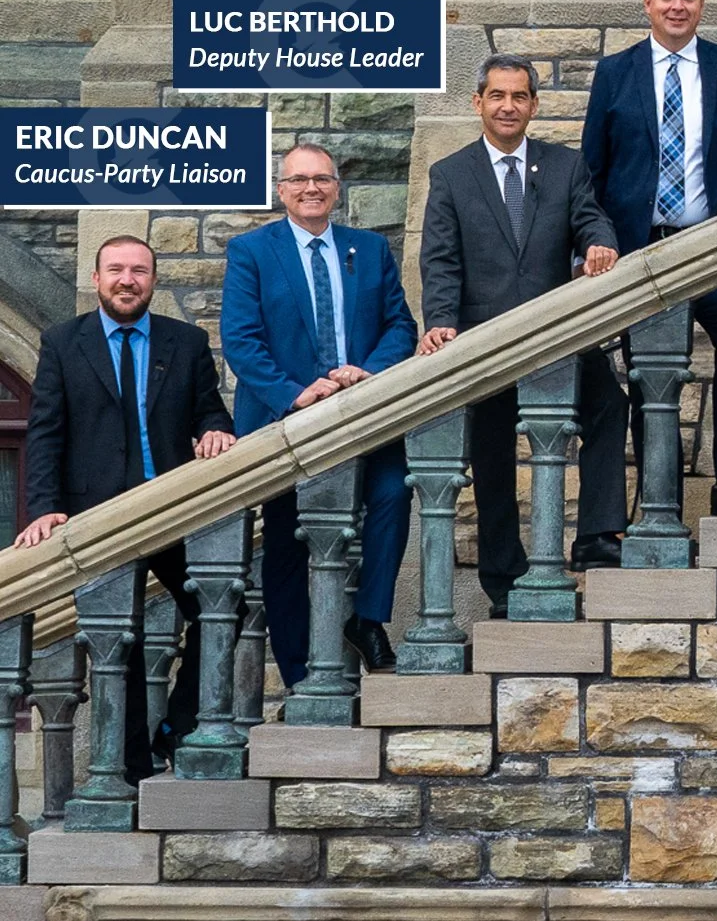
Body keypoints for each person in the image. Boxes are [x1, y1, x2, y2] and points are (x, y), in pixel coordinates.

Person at [17, 236, 235, 783]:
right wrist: (43, 508)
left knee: (223, 611)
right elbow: (44, 434)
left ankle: (180, 725)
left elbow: (212, 412)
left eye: (139, 271)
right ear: (97, 279)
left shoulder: (184, 343)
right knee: (122, 641)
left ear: (152, 281)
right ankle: (132, 765)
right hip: (99, 520)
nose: (127, 280)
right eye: (116, 269)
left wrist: (214, 431)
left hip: (171, 510)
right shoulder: (64, 342)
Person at [419, 54, 622, 617]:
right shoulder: (452, 174)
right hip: (486, 343)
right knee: (491, 458)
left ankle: (598, 537)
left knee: (610, 405)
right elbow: (440, 259)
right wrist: (440, 321)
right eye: (497, 96)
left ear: (534, 105)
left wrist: (600, 242)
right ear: (478, 102)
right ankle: (503, 580)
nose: (508, 106)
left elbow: (590, 218)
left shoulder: (564, 165)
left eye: (519, 97)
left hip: (556, 335)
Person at [221, 143, 417, 677]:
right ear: (281, 191)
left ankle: (369, 619)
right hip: (285, 423)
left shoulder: (369, 250)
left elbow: (401, 325)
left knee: (393, 492)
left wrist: (367, 373)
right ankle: (298, 674)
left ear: (337, 187)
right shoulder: (251, 251)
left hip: (362, 414)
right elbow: (240, 340)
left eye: (322, 179)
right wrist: (295, 393)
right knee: (286, 546)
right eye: (299, 180)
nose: (312, 188)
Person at [584, 0, 717, 516]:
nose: (677, 7)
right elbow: (592, 170)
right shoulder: (615, 73)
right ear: (647, 3)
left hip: (713, 247)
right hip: (643, 253)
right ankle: (657, 495)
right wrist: (595, 242)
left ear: (702, 5)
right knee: (650, 373)